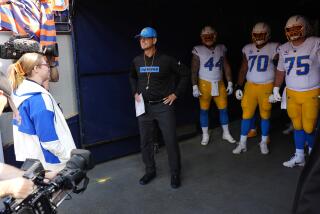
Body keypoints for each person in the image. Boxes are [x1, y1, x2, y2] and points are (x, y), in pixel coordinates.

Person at [129, 27, 188, 188]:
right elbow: (132, 77)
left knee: (170, 140)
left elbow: (185, 74)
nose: (142, 41)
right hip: (145, 108)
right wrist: (134, 92)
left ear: (154, 40)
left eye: (146, 38)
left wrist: (175, 94)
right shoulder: (137, 61)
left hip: (163, 106)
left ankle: (175, 173)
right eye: (141, 38)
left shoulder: (166, 60)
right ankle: (150, 170)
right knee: (145, 142)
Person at [8, 52, 76, 171]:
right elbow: (49, 140)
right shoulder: (38, 98)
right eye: (46, 64)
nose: (49, 67)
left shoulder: (19, 92)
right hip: (52, 163)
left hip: (34, 160)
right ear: (36, 69)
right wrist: (67, 156)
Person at [269, 15, 320, 167]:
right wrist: (276, 89)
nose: (293, 32)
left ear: (305, 28)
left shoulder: (315, 43)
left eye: (297, 28)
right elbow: (280, 71)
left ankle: (312, 156)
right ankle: (299, 156)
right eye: (290, 29)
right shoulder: (284, 48)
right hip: (292, 93)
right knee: (297, 125)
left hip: (311, 92)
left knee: (309, 125)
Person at [232, 22, 279, 154]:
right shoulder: (247, 48)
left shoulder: (274, 47)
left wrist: (276, 89)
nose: (258, 37)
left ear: (268, 35)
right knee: (246, 114)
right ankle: (242, 143)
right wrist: (238, 86)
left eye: (261, 34)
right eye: (256, 34)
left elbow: (279, 69)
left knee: (265, 115)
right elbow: (243, 68)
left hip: (267, 86)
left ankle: (264, 141)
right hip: (250, 86)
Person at [191, 25, 235, 146]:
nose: (208, 38)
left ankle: (226, 133)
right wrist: (194, 86)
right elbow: (194, 70)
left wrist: (230, 82)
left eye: (210, 36)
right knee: (204, 110)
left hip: (219, 83)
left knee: (223, 109)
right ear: (202, 37)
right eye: (206, 36)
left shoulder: (221, 48)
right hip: (204, 83)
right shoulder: (198, 49)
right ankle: (205, 134)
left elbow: (226, 66)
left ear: (215, 36)